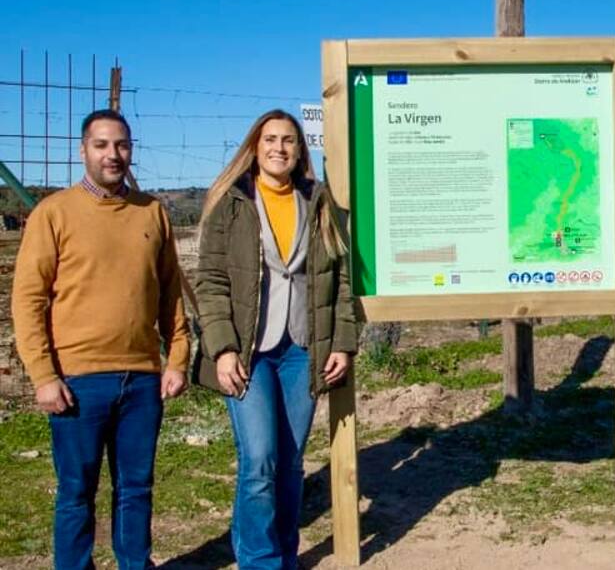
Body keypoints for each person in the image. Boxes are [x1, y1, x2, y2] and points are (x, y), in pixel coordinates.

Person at [12, 109, 190, 570]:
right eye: (102, 145)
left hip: (142, 379)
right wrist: (43, 376)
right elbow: (28, 301)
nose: (114, 154)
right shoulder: (53, 213)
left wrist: (176, 358)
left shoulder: (152, 211)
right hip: (77, 380)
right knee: (76, 492)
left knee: (137, 488)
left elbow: (170, 292)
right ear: (83, 150)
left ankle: (135, 563)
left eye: (122, 145)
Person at [188, 109, 358, 569]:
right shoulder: (232, 203)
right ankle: (260, 560)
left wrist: (342, 343)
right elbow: (211, 281)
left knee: (290, 461)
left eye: (288, 140)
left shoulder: (319, 202)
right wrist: (221, 348)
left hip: (303, 350)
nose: (279, 148)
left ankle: (285, 553)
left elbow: (342, 280)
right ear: (255, 146)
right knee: (260, 460)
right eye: (270, 139)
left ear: (300, 149)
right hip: (249, 352)